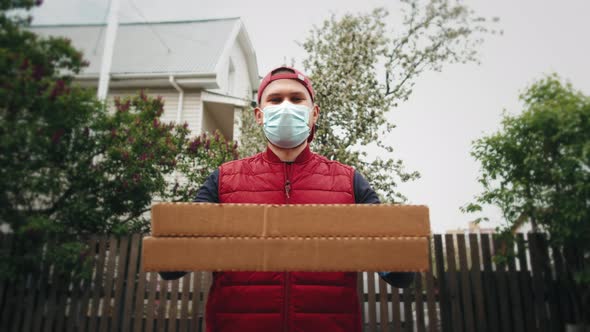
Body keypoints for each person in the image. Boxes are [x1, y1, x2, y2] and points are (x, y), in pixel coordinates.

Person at [160, 66, 414, 332]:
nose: (285, 106)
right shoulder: (223, 180)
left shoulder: (350, 182)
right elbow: (173, 266)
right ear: (259, 115)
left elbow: (399, 274)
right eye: (275, 99)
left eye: (296, 99)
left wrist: (399, 252)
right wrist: (174, 245)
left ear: (313, 113)